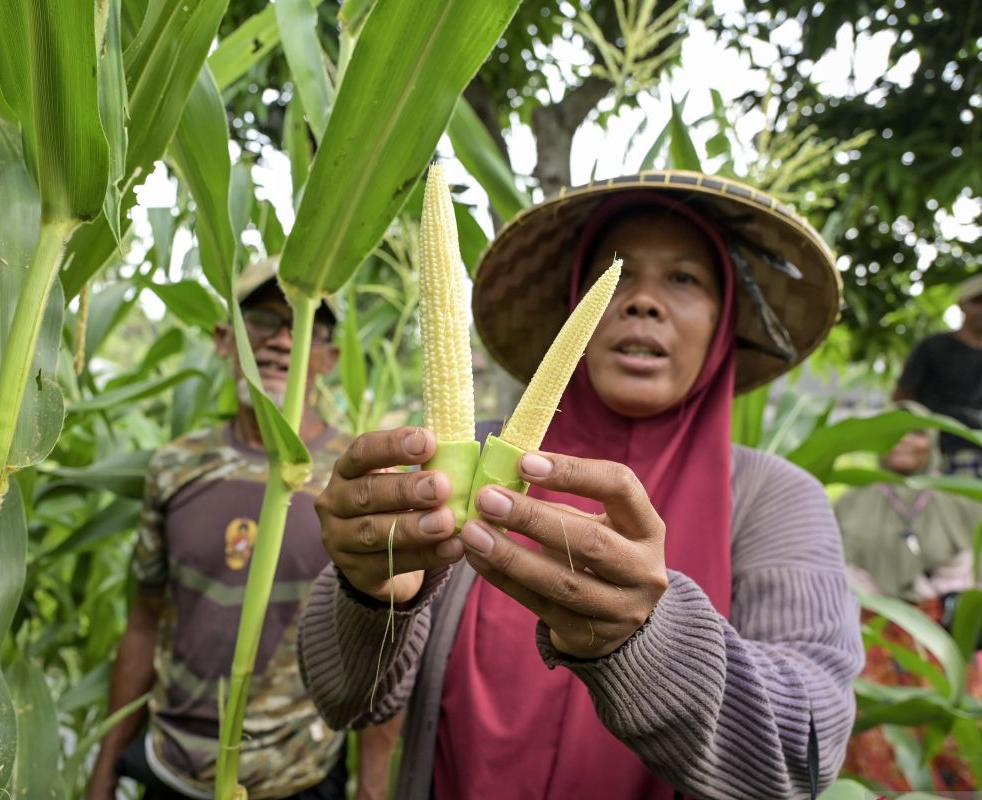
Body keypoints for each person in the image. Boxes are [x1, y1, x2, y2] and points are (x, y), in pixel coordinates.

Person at [297, 172, 865, 799]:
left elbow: (800, 759)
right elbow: (346, 702)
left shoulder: (775, 498)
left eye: (684, 278)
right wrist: (373, 595)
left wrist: (648, 637)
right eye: (615, 277)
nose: (643, 302)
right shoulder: (464, 457)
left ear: (723, 321)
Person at [88, 259, 400, 800]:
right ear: (223, 339)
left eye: (301, 327)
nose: (281, 341)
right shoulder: (175, 468)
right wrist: (104, 768)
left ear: (326, 357)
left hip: (296, 774)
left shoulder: (356, 480)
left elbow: (380, 648)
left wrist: (372, 789)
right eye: (261, 320)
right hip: (171, 768)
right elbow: (144, 622)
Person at [835, 408, 982, 791]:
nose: (902, 440)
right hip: (870, 638)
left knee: (952, 731)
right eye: (892, 432)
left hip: (941, 639)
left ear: (931, 441)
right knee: (875, 735)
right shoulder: (849, 504)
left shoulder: (961, 503)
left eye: (915, 432)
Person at [894, 273, 982, 477]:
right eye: (977, 302)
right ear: (961, 305)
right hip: (938, 453)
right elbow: (902, 397)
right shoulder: (933, 347)